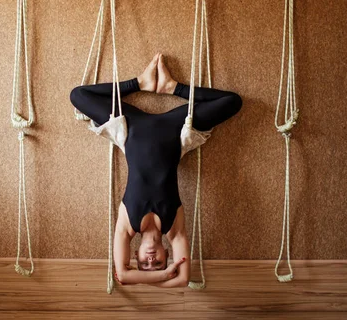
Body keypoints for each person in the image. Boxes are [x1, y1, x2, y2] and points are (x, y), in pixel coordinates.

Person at [70, 54, 242, 287]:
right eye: (159, 263)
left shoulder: (127, 227)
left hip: (133, 125)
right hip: (174, 127)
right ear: (167, 256)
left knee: (78, 96)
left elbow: (122, 275)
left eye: (145, 264)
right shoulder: (174, 230)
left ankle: (140, 83)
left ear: (135, 257)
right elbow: (183, 279)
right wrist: (167, 275)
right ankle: (172, 87)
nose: (151, 260)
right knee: (232, 101)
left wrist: (158, 276)